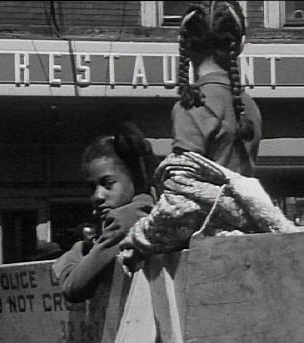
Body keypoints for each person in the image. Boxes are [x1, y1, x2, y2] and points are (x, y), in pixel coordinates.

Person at [52, 122, 157, 303]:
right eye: (92, 187)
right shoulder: (152, 210)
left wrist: (75, 252)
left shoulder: (126, 219)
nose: (98, 196)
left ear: (134, 179)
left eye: (108, 183)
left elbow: (73, 288)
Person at [172, 0, 262, 177]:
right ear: (241, 44)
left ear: (183, 44)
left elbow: (183, 187)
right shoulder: (249, 106)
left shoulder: (194, 105)